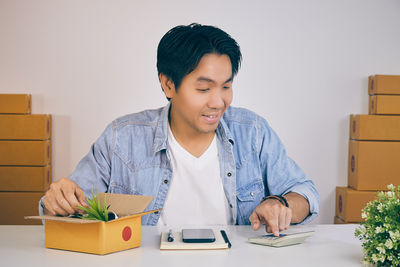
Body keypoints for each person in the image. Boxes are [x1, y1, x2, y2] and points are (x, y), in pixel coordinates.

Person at [40, 23, 320, 236]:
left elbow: (305, 193)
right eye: (203, 88)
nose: (218, 101)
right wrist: (59, 200)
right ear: (168, 85)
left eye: (226, 86)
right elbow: (69, 210)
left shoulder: (253, 132)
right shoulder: (122, 138)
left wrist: (281, 204)